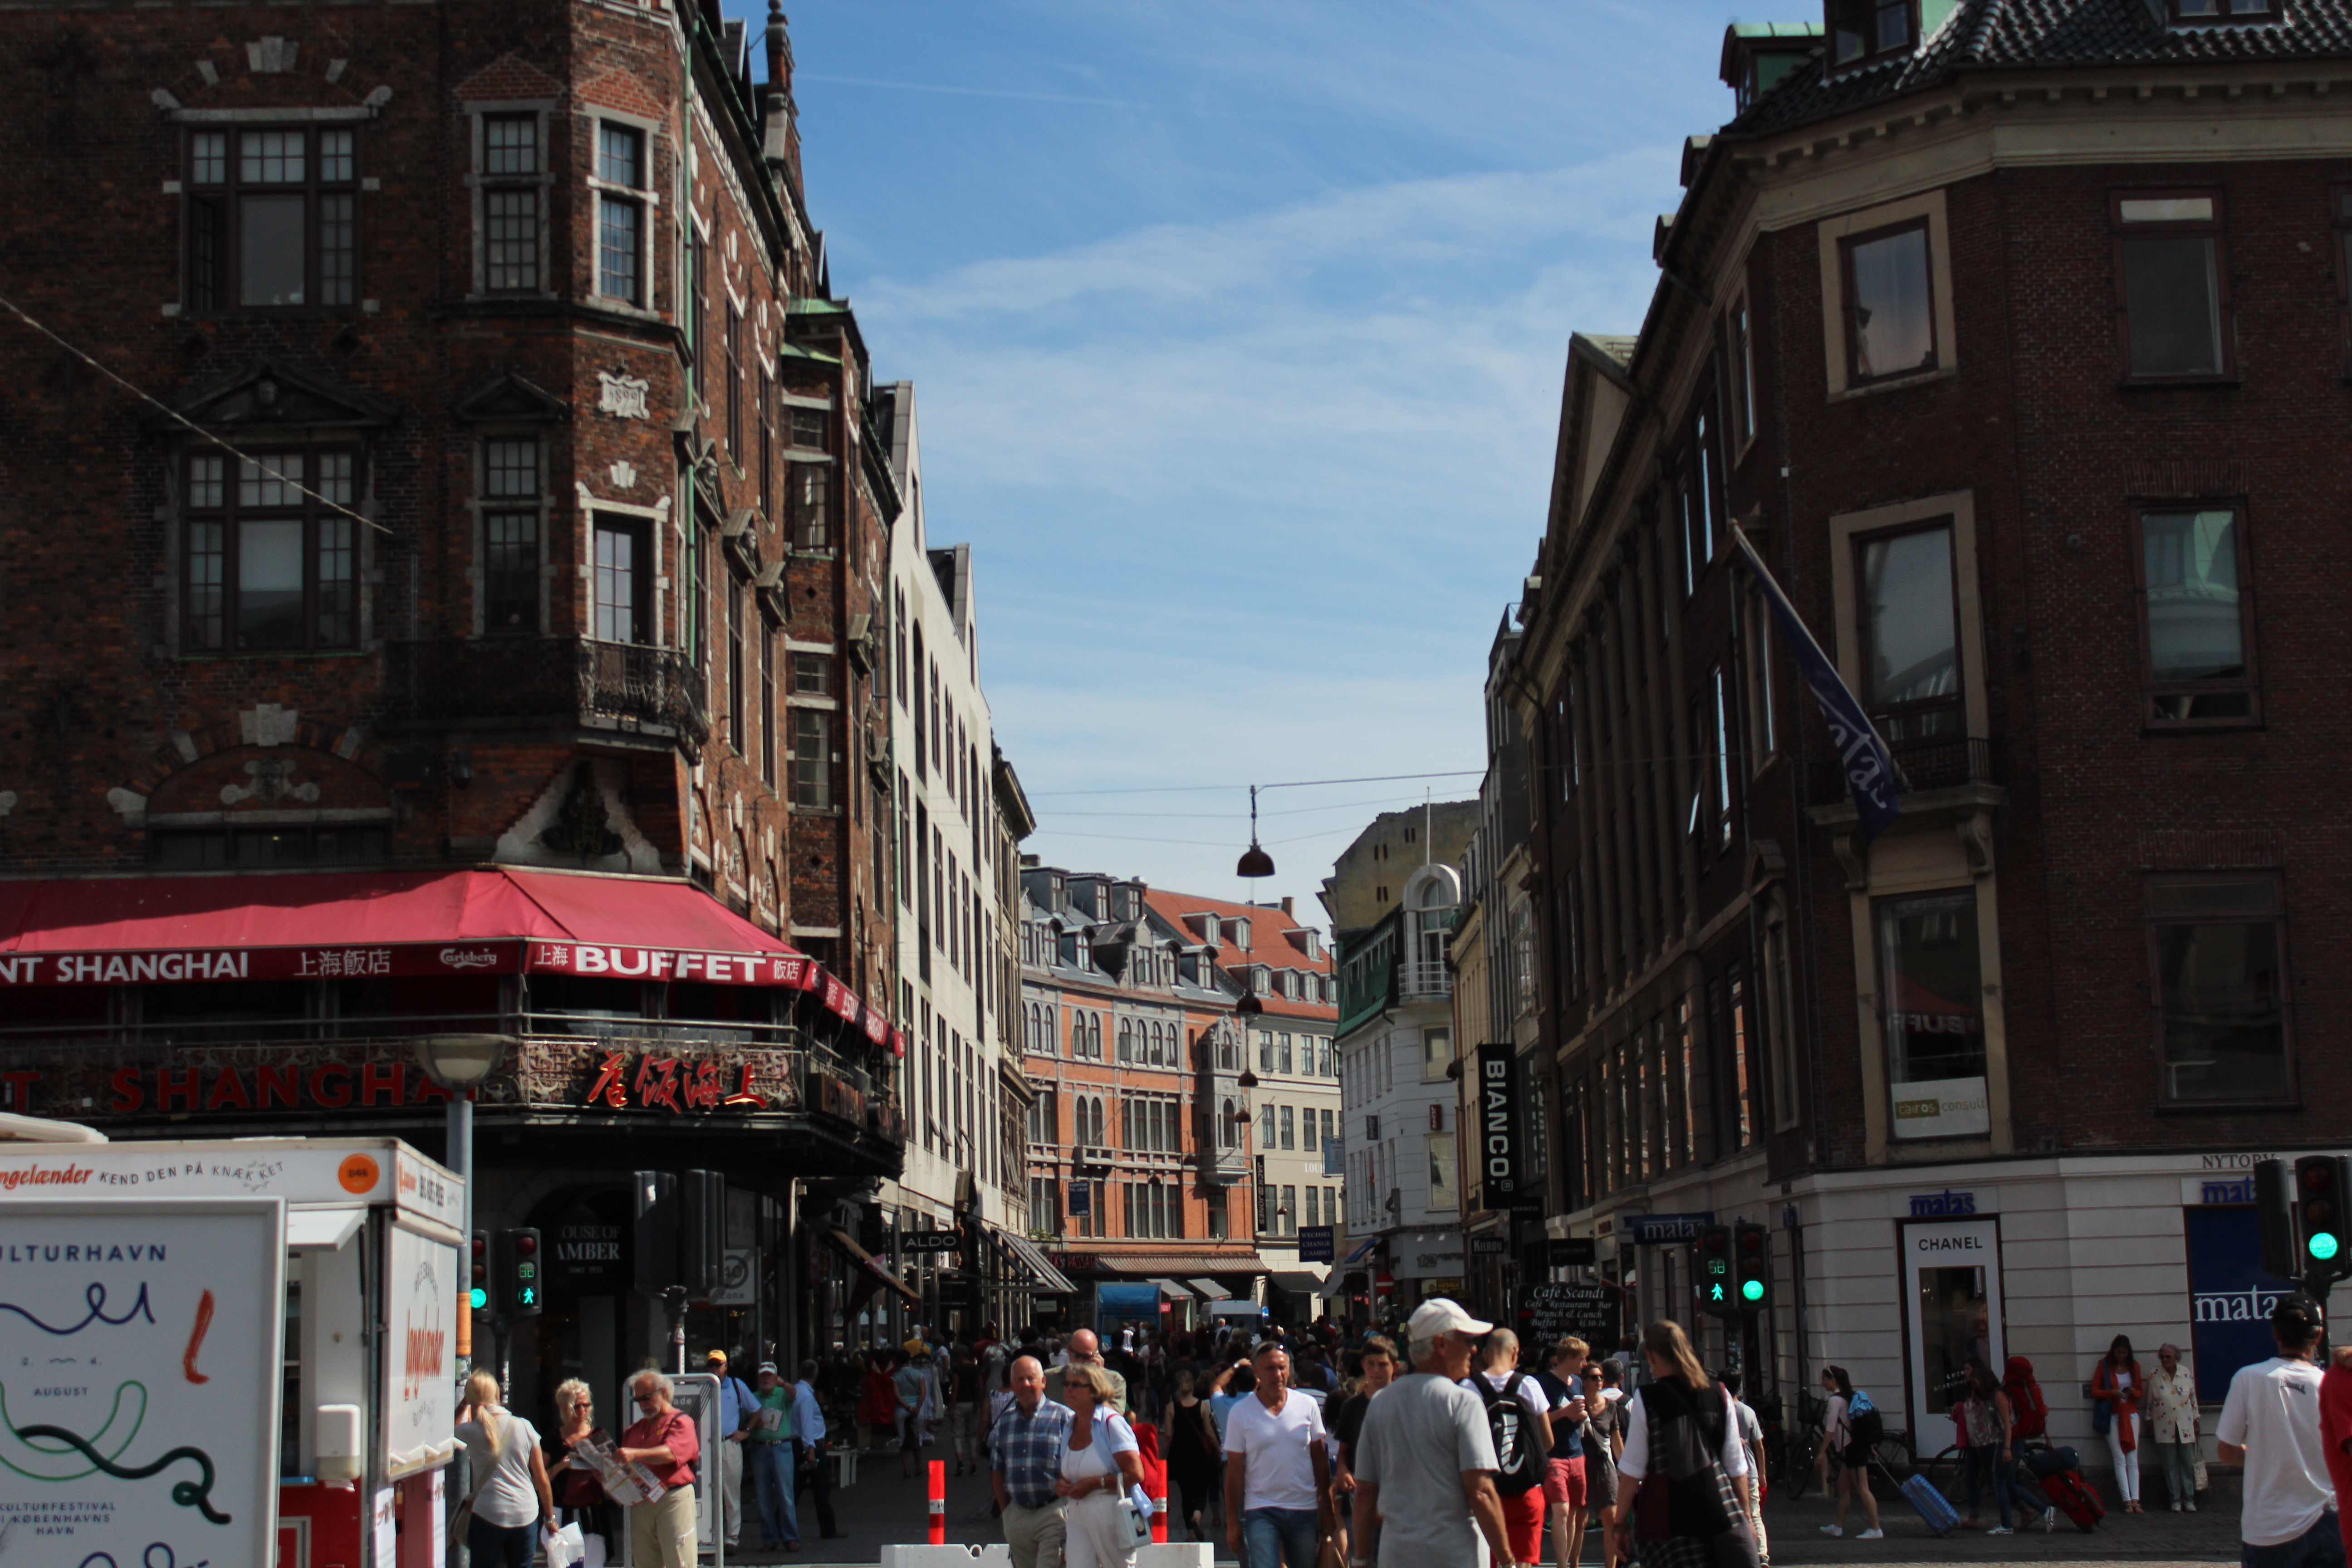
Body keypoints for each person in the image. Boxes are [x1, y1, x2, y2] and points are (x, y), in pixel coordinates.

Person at [1349, 1298, 1518, 1568]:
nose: (1474, 1349)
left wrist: (1360, 1559)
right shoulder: (1463, 1402)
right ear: (1441, 1344)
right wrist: (1509, 1561)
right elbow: (1481, 1492)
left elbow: (1365, 1492)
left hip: (1397, 1553)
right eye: (1466, 1341)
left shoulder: (1380, 1403)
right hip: (1455, 1553)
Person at [1607, 1323, 1753, 1568]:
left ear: (1652, 1357)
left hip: (1667, 1520)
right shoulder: (1720, 1393)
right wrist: (1746, 1517)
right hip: (1719, 1513)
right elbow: (1736, 1465)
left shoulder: (1648, 1398)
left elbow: (1632, 1468)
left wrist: (1621, 1524)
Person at [2218, 1294, 2342, 1568]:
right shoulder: (2329, 1385)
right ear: (2318, 1336)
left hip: (2269, 1526)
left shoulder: (2248, 1379)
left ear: (2276, 1333)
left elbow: (2226, 1451)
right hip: (2326, 1520)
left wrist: (2260, 1455)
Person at [1224, 1341, 1333, 1568]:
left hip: (1303, 1508)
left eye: (1283, 1368)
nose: (1278, 1374)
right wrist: (1232, 1522)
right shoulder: (1241, 1413)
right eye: (1271, 1368)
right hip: (1261, 1510)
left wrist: (1327, 1507)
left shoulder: (1308, 1405)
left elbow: (1320, 1460)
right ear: (1257, 1372)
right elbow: (1234, 1470)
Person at [1467, 1328, 1553, 1568]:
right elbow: (1547, 1442)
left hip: (1485, 1492)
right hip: (1527, 1491)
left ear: (1485, 1354)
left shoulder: (1467, 1388)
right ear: (1515, 1352)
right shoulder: (1529, 1385)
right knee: (1525, 1561)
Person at [453, 1370, 556, 1568]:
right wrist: (550, 1517)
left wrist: (465, 1404)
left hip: (488, 1513)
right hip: (525, 1512)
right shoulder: (525, 1427)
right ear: (498, 1395)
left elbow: (448, 1430)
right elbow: (542, 1478)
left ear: (472, 1399)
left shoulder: (471, 1431)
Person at [1059, 1363, 1149, 1568]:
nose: (1069, 1390)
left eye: (1076, 1385)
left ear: (1095, 1391)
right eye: (1067, 1384)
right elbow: (1070, 1471)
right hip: (1076, 1512)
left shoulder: (1112, 1423)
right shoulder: (1070, 1425)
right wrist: (1062, 1484)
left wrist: (1095, 1484)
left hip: (1111, 1513)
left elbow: (1136, 1474)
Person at [992, 1354, 1078, 1568]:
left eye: (1031, 1379)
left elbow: (1077, 1467)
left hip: (1052, 1513)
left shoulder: (1064, 1418)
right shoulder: (1005, 1422)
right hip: (1018, 1514)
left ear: (1044, 1382)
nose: (1026, 1385)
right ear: (1012, 1385)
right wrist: (1007, 1513)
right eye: (1020, 1380)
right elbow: (997, 1470)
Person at [617, 1369, 701, 1568]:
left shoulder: (681, 1422)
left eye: (647, 1398)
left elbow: (671, 1453)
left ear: (663, 1393)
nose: (643, 1404)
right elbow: (624, 1467)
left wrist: (635, 1454)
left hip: (673, 1499)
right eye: (639, 1400)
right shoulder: (634, 1430)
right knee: (645, 1563)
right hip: (641, 1501)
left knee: (680, 1562)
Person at [1330, 1336, 1399, 1567]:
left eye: (1383, 1364)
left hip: (1399, 1501)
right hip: (1362, 1498)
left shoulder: (1404, 1404)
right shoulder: (1352, 1407)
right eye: (1371, 1364)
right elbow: (1343, 1451)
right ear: (1363, 1366)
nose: (1376, 1371)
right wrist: (1342, 1471)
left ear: (1394, 1367)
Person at [545, 1377, 617, 1562]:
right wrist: (561, 1466)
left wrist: (603, 1476)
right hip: (562, 1512)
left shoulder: (598, 1436)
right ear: (564, 1407)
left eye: (586, 1405)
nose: (582, 1411)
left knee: (594, 1562)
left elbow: (616, 1475)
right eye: (577, 1406)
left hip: (594, 1513)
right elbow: (539, 1480)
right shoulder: (552, 1440)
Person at [1815, 1365, 1882, 1539]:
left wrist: (1821, 1452)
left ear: (1833, 1380)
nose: (1822, 1382)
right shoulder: (1848, 1397)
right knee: (1842, 1486)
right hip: (1855, 1447)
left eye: (1824, 1379)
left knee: (1863, 1488)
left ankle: (1876, 1529)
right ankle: (1838, 1527)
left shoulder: (1835, 1401)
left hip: (1854, 1449)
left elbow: (1830, 1429)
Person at [744, 1362, 800, 1553]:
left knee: (786, 1495)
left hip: (781, 1447)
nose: (766, 1379)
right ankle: (769, 1539)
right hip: (760, 1449)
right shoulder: (753, 1398)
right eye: (763, 1376)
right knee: (763, 1496)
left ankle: (791, 1538)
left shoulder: (783, 1394)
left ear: (776, 1378)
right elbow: (744, 1421)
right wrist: (752, 1424)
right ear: (759, 1379)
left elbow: (794, 1394)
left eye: (770, 1375)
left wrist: (784, 1384)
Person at [1955, 1360, 2016, 1535]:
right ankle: (1974, 1517)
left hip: (1988, 1441)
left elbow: (2004, 1421)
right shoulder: (1970, 1391)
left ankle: (2020, 1510)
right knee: (1970, 1477)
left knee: (1995, 1481)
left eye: (1968, 1369)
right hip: (1975, 1442)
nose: (1965, 1373)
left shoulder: (1989, 1393)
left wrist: (2007, 1446)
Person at [1719, 1367, 1770, 1561]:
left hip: (1727, 1472)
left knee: (1730, 1515)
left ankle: (1735, 1553)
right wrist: (1763, 1473)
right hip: (1750, 1470)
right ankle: (1762, 1553)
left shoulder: (1720, 1410)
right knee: (1755, 1515)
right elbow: (1759, 1445)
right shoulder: (1748, 1412)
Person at [1169, 1367, 1225, 1543]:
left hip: (1179, 1454)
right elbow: (1209, 1433)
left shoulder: (1172, 1407)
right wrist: (1218, 1449)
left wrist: (1162, 1457)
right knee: (1202, 1491)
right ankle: (1198, 1515)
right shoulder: (1204, 1406)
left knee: (1186, 1494)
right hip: (1201, 1454)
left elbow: (1168, 1436)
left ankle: (1190, 1533)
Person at [710, 1348, 758, 1550]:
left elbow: (756, 1409)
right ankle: (710, 1537)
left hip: (730, 1443)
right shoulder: (704, 1386)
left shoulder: (737, 1386)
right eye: (711, 1365)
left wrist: (747, 1431)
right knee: (709, 1493)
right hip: (707, 1445)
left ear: (726, 1366)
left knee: (731, 1494)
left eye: (718, 1365)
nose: (714, 1368)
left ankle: (732, 1538)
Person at [2093, 1334, 2146, 1514]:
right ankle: (2127, 1500)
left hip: (2130, 1414)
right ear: (2113, 1351)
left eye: (2124, 1353)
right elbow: (2095, 1390)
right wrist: (2112, 1393)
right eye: (2119, 1353)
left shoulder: (2135, 1367)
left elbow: (2140, 1393)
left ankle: (2136, 1500)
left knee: (2132, 1457)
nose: (2121, 1356)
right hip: (2113, 1415)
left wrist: (2133, 1392)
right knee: (2119, 1458)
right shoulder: (2104, 1366)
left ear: (2128, 1353)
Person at [793, 1359, 843, 1540]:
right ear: (816, 1375)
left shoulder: (797, 1392)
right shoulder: (806, 1396)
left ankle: (780, 1524)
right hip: (811, 1445)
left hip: (801, 1445)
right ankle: (828, 1529)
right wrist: (811, 1451)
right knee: (821, 1489)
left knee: (795, 1489)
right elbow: (807, 1425)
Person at [2150, 1343, 2202, 1513]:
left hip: (2185, 1424)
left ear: (2176, 1358)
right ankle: (2175, 1499)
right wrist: (2148, 1421)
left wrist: (2196, 1420)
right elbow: (2150, 1402)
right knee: (2170, 1464)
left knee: (2187, 1463)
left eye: (2168, 1357)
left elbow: (2192, 1399)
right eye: (2162, 1357)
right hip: (2164, 1426)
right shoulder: (2155, 1375)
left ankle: (2189, 1499)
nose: (2165, 1360)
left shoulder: (2185, 1373)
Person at [1587, 1359, 1627, 1568]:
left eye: (1601, 1377)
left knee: (1611, 1518)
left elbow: (1617, 1442)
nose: (1599, 1381)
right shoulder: (1576, 1405)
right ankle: (1570, 1563)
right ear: (1583, 1381)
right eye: (1594, 1377)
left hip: (1605, 1467)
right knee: (1577, 1521)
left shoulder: (1611, 1407)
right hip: (1581, 1466)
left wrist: (1627, 1471)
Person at [1051, 1328, 1132, 1416]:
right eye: (1077, 1355)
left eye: (1086, 1357)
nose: (1081, 1361)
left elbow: (1114, 1417)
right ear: (1069, 1351)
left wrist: (1098, 1380)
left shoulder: (1115, 1381)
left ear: (1096, 1355)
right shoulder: (1050, 1378)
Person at [951, 1342, 987, 1477]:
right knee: (972, 1436)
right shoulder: (976, 1369)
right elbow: (981, 1387)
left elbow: (955, 1389)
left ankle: (960, 1463)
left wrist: (952, 1408)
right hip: (974, 1404)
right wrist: (981, 1402)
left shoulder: (957, 1369)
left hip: (960, 1403)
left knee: (958, 1435)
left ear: (957, 1357)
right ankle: (973, 1465)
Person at [894, 1349, 931, 1478]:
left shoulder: (896, 1376)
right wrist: (917, 1407)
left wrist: (907, 1407)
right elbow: (923, 1392)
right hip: (917, 1409)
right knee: (918, 1438)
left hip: (901, 1409)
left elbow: (897, 1395)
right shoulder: (918, 1374)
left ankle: (906, 1470)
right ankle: (919, 1467)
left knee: (902, 1439)